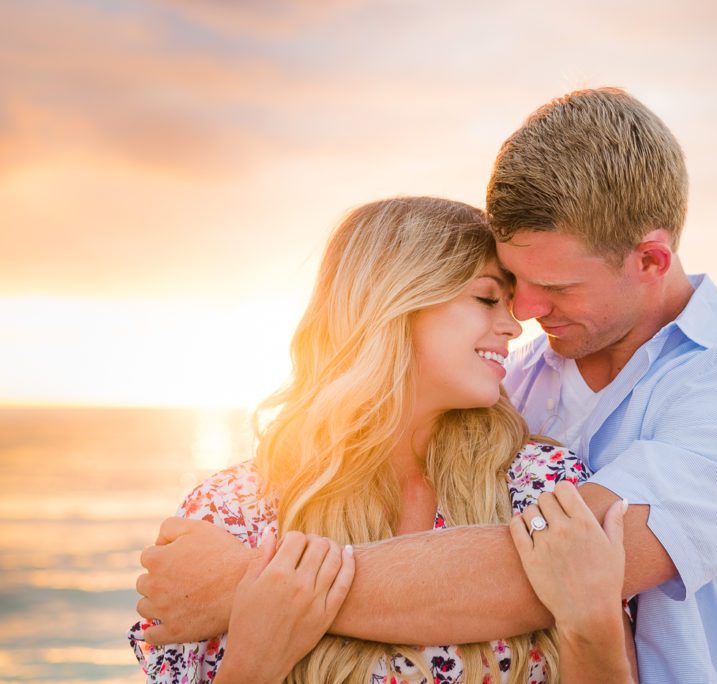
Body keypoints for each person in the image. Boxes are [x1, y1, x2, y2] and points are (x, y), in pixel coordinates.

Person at [137, 88, 717, 683]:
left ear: (651, 259)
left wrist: (258, 586)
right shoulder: (508, 385)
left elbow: (528, 579)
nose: (522, 313)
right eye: (507, 287)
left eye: (551, 287)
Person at [129, 196, 638, 682]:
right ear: (393, 304)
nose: (513, 326)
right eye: (486, 297)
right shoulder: (231, 515)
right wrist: (251, 666)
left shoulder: (543, 487)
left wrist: (591, 627)